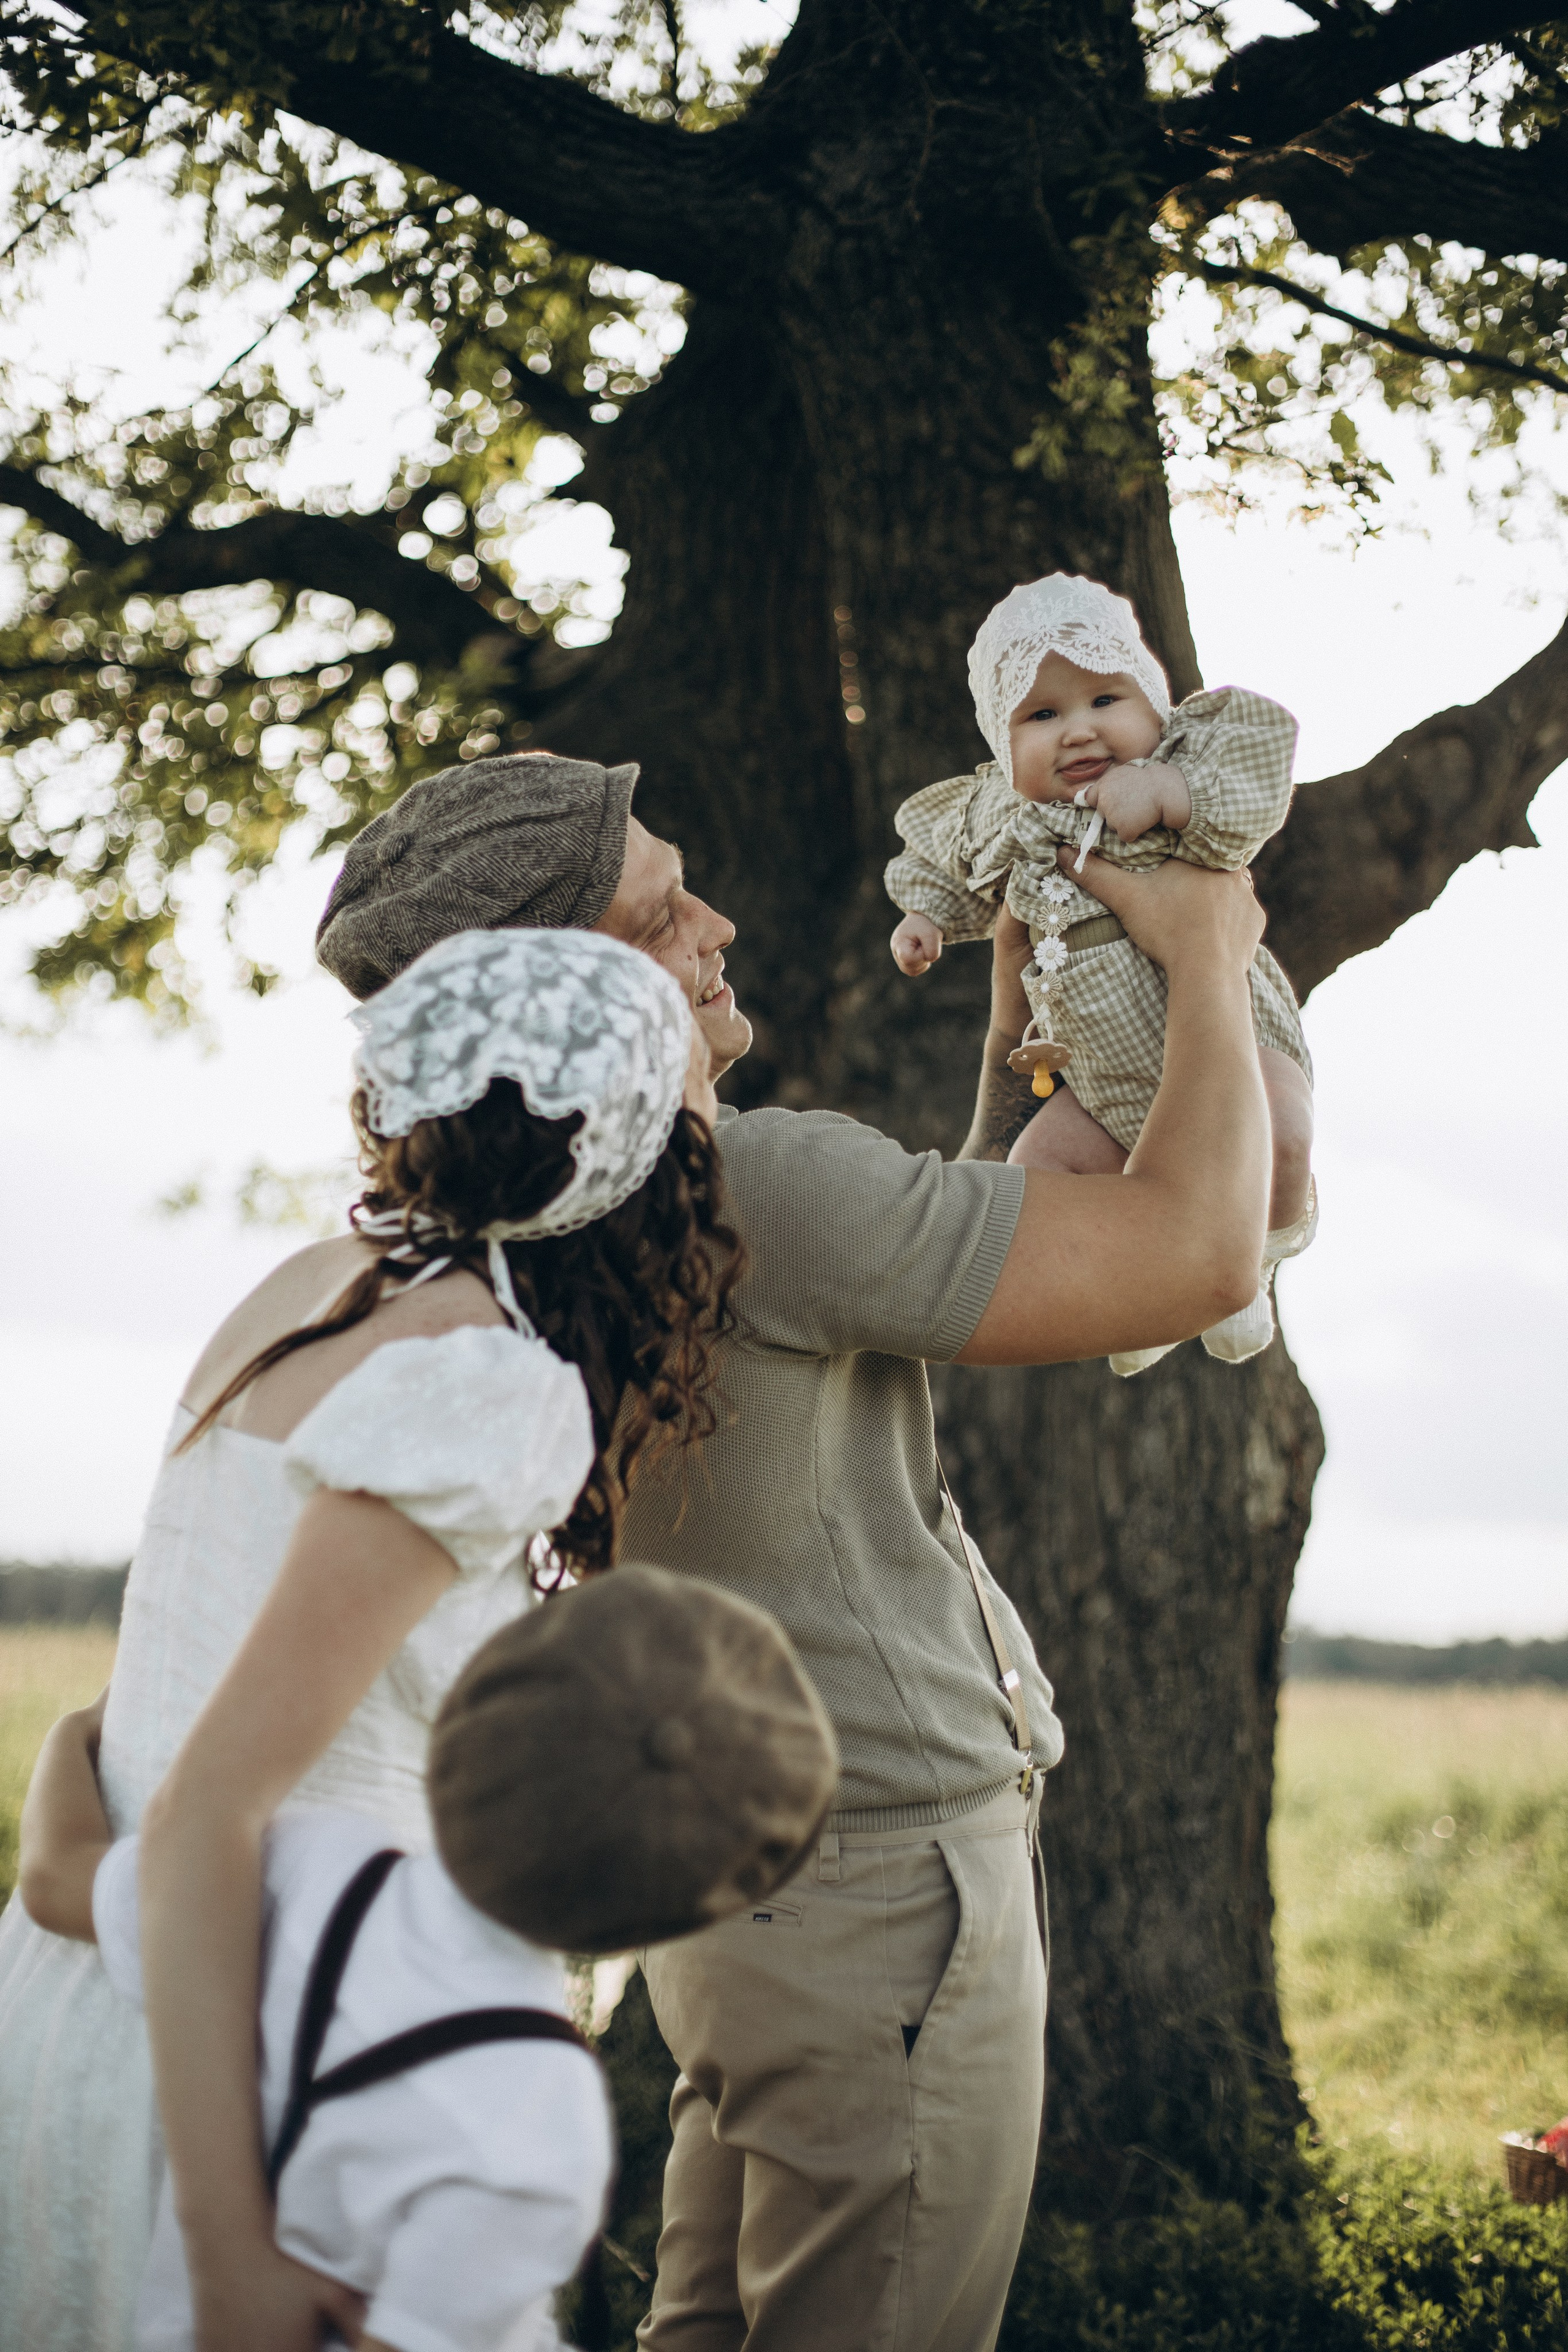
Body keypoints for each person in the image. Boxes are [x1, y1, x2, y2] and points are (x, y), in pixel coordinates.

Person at [312, 741, 1276, 2352]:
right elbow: (1195, 1251)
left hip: (733, 1904)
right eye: (662, 913)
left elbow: (937, 1256)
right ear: (572, 992)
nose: (720, 927)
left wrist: (1008, 1036)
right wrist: (1211, 959)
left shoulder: (547, 1220)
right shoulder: (761, 1186)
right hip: (886, 1896)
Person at [0, 927, 741, 2352]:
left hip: (100, 1999)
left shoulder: (308, 1288)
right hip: (274, 2079)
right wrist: (230, 2255)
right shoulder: (489, 1387)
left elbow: (154, 1711)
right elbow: (221, 1801)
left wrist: (64, 1868)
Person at [17, 1562, 840, 2352]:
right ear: (665, 1922)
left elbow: (56, 1877)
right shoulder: (541, 2123)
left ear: (461, 1724)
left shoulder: (304, 1871)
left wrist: (91, 1724)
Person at [886, 572, 1317, 1374]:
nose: (1079, 732)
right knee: (1034, 1175)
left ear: (1157, 710)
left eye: (1104, 702)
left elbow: (1258, 772)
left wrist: (1168, 791)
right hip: (1097, 1069)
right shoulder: (1012, 816)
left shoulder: (1182, 761)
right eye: (1042, 715)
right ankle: (1139, 1292)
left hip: (1226, 1034)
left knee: (1283, 1132)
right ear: (1000, 745)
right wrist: (927, 920)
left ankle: (1247, 1265)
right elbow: (950, 861)